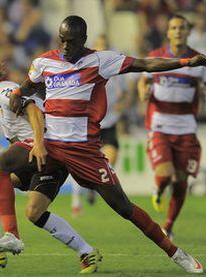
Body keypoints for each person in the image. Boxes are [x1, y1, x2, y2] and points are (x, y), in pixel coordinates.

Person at [0, 15, 206, 273]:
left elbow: (145, 64)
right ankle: (11, 235)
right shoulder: (43, 62)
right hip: (51, 145)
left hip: (84, 151)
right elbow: (28, 86)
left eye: (72, 41)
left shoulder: (101, 60)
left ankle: (176, 253)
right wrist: (16, 93)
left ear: (84, 40)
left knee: (124, 208)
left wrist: (186, 62)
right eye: (62, 40)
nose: (66, 46)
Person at [0, 44, 101, 273]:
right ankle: (87, 252)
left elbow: (35, 113)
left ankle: (8, 238)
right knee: (26, 209)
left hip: (48, 151)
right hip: (32, 157)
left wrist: (38, 144)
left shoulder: (7, 92)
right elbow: (15, 141)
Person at [137, 14, 206, 239]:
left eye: (182, 27)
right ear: (168, 32)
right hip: (160, 124)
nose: (178, 31)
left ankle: (169, 226)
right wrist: (142, 90)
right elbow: (143, 79)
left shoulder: (199, 60)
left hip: (186, 127)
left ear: (188, 32)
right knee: (165, 175)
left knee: (181, 180)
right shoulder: (155, 57)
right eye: (174, 27)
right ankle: (158, 188)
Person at [71, 34, 129, 216]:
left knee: (111, 159)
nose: (102, 49)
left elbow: (126, 93)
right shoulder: (87, 68)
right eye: (99, 45)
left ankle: (92, 187)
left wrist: (122, 104)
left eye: (105, 45)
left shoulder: (115, 71)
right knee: (80, 164)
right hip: (89, 124)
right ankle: (76, 200)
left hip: (109, 122)